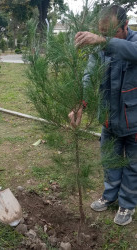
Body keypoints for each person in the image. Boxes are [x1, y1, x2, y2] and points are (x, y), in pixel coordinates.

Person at [69, 5, 137, 226]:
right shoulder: (101, 48)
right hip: (109, 118)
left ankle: (127, 204)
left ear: (126, 26)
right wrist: (81, 103)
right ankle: (110, 196)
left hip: (134, 121)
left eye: (111, 33)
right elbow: (89, 75)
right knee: (109, 160)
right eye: (102, 33)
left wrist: (102, 41)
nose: (104, 38)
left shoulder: (133, 42)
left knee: (133, 165)